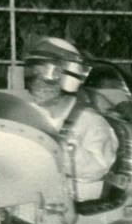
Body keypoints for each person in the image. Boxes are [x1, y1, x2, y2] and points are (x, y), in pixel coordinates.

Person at [24, 36, 118, 201]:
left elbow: (97, 169)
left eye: (46, 73)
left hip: (74, 209)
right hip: (31, 200)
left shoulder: (91, 122)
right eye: (33, 72)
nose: (36, 82)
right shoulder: (26, 114)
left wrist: (56, 147)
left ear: (70, 78)